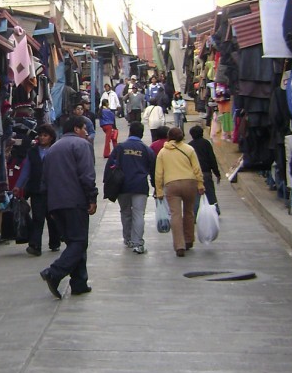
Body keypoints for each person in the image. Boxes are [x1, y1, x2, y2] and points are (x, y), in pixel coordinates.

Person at [40, 116, 98, 298]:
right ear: (76, 128)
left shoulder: (52, 150)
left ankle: (79, 282)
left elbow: (44, 181)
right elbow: (87, 174)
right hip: (75, 201)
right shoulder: (82, 145)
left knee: (74, 242)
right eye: (84, 128)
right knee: (80, 242)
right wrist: (92, 196)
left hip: (56, 203)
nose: (86, 132)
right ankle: (54, 271)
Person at [105, 121, 155, 254]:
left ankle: (127, 239)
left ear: (130, 132)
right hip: (140, 186)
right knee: (139, 214)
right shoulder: (146, 149)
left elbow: (109, 166)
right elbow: (153, 169)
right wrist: (156, 185)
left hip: (122, 186)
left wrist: (107, 183)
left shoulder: (120, 148)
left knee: (125, 212)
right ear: (142, 133)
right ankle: (138, 243)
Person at [12, 123, 61, 257]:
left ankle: (55, 242)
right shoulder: (32, 152)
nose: (42, 138)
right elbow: (26, 171)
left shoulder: (55, 150)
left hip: (53, 191)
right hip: (36, 190)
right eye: (40, 135)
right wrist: (18, 186)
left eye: (45, 135)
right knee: (38, 218)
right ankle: (35, 245)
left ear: (51, 137)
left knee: (52, 218)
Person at [155, 126, 204, 257]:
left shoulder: (163, 152)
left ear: (168, 137)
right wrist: (200, 183)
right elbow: (196, 168)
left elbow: (159, 174)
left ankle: (179, 245)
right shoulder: (189, 149)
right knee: (189, 212)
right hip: (190, 182)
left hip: (172, 185)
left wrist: (159, 190)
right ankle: (189, 240)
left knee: (175, 214)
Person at [188, 124, 221, 214]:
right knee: (210, 192)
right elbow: (212, 159)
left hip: (194, 174)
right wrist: (217, 173)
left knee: (195, 196)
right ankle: (215, 211)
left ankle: (194, 214)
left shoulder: (189, 146)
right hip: (206, 172)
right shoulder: (206, 143)